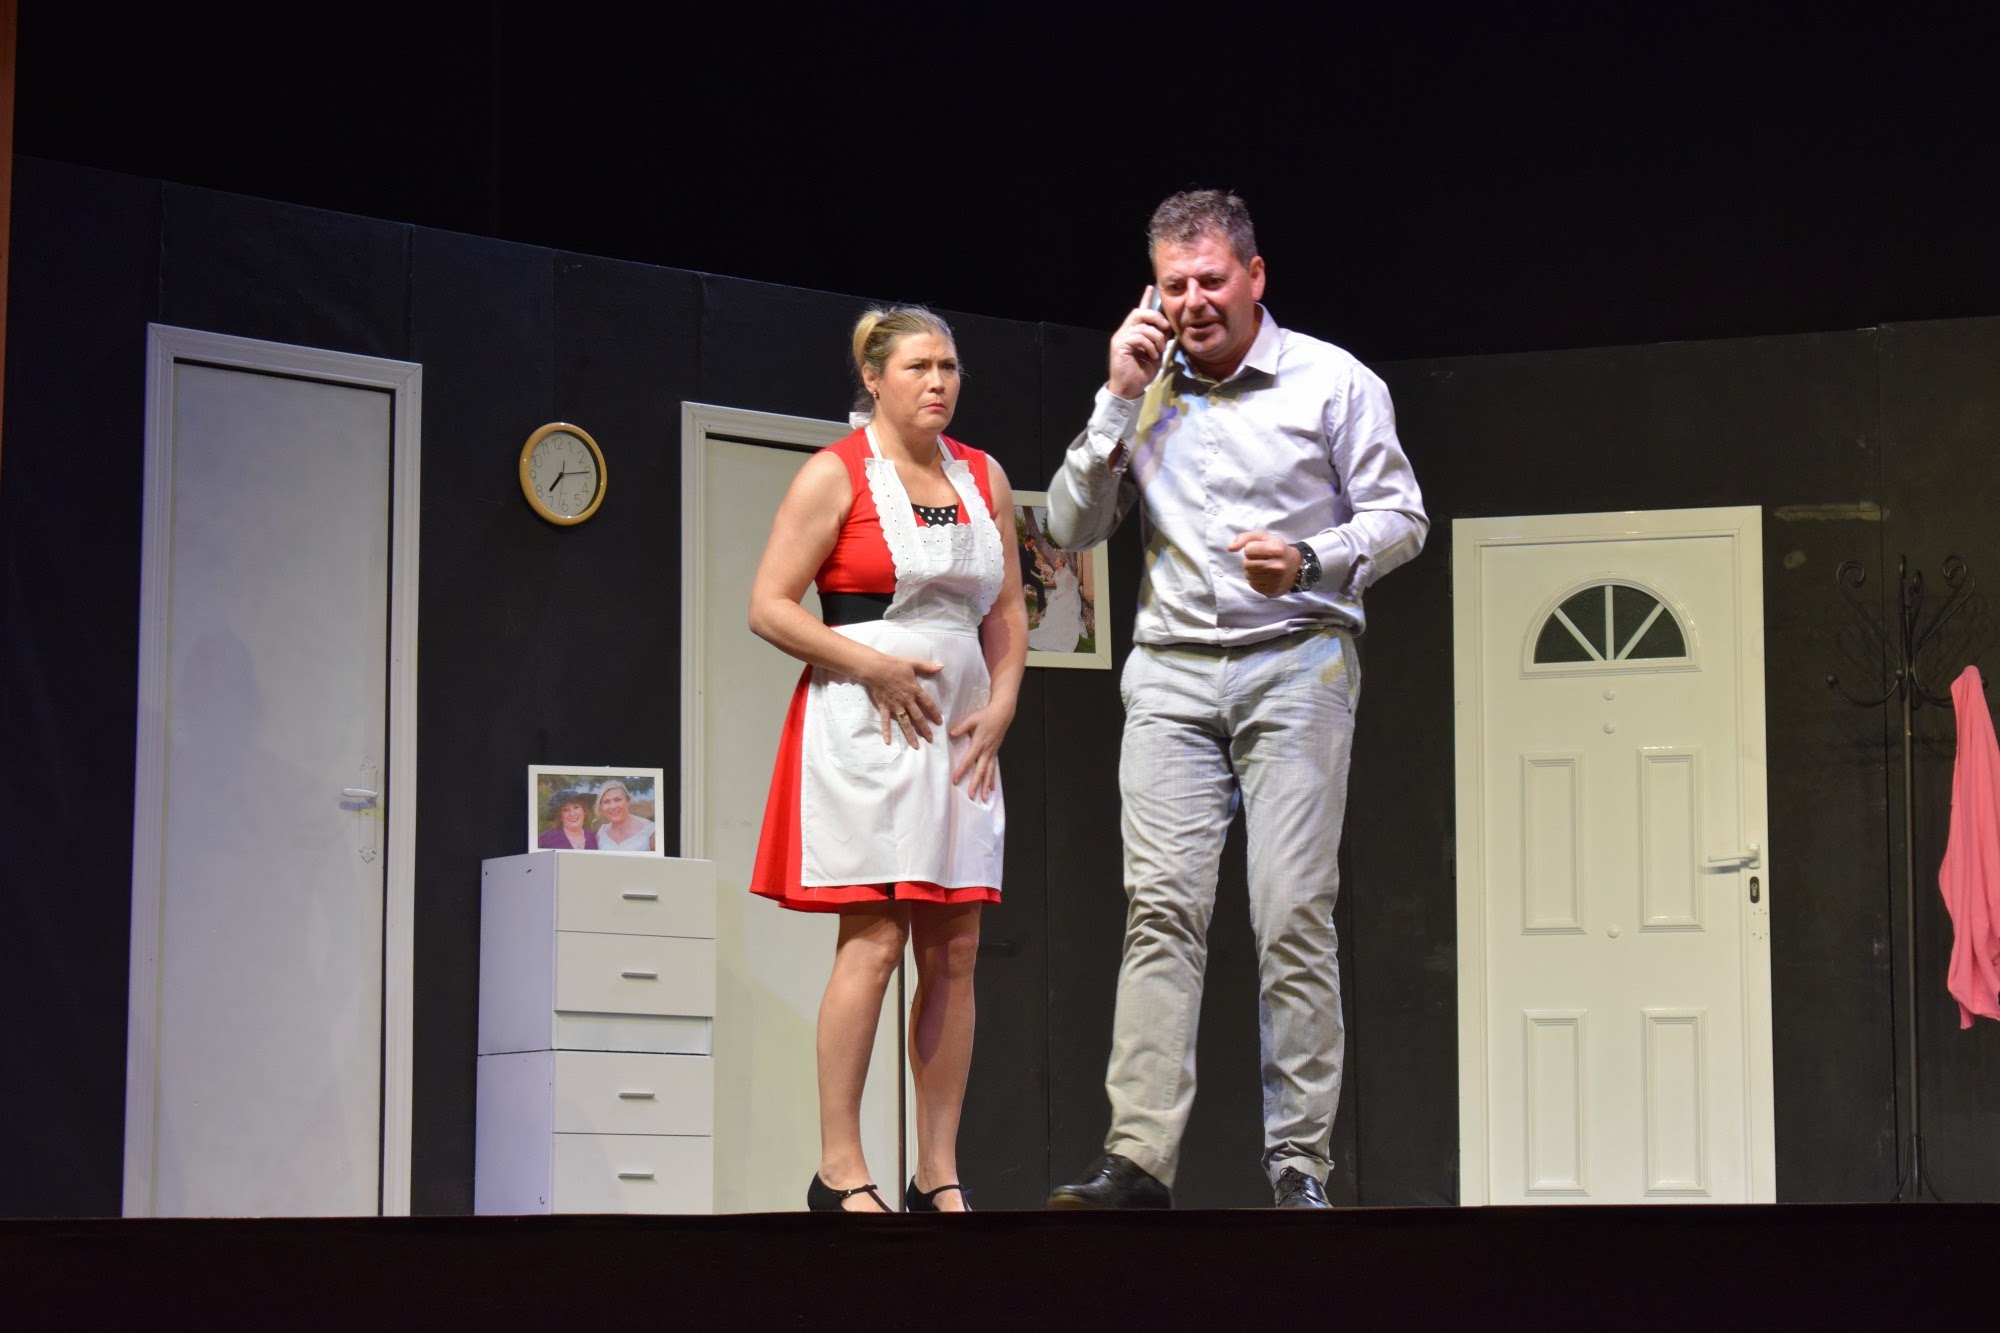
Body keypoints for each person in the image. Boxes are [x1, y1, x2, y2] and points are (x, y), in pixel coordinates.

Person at [1043, 190, 1427, 1210]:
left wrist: (1308, 557)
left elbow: (1401, 517)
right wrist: (1115, 396)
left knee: (1291, 911)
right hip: (1172, 672)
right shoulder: (1145, 390)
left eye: (1211, 280)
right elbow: (1070, 527)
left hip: (1296, 661)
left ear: (1255, 277)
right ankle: (1137, 1159)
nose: (1193, 302)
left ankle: (1299, 1165)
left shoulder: (1333, 380)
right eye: (1173, 285)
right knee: (1160, 910)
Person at [747, 305, 1028, 1214]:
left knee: (957, 947)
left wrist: (1004, 701)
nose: (938, 382)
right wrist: (868, 664)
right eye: (918, 366)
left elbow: (1007, 611)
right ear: (874, 378)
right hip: (867, 724)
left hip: (961, 729)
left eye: (949, 366)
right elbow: (769, 605)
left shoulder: (984, 474)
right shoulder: (834, 473)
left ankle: (936, 1169)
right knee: (873, 940)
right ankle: (839, 1169)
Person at [593, 780, 656, 853]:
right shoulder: (601, 833)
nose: (612, 806)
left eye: (617, 800)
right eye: (606, 802)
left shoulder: (650, 830)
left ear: (628, 801)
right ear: (602, 807)